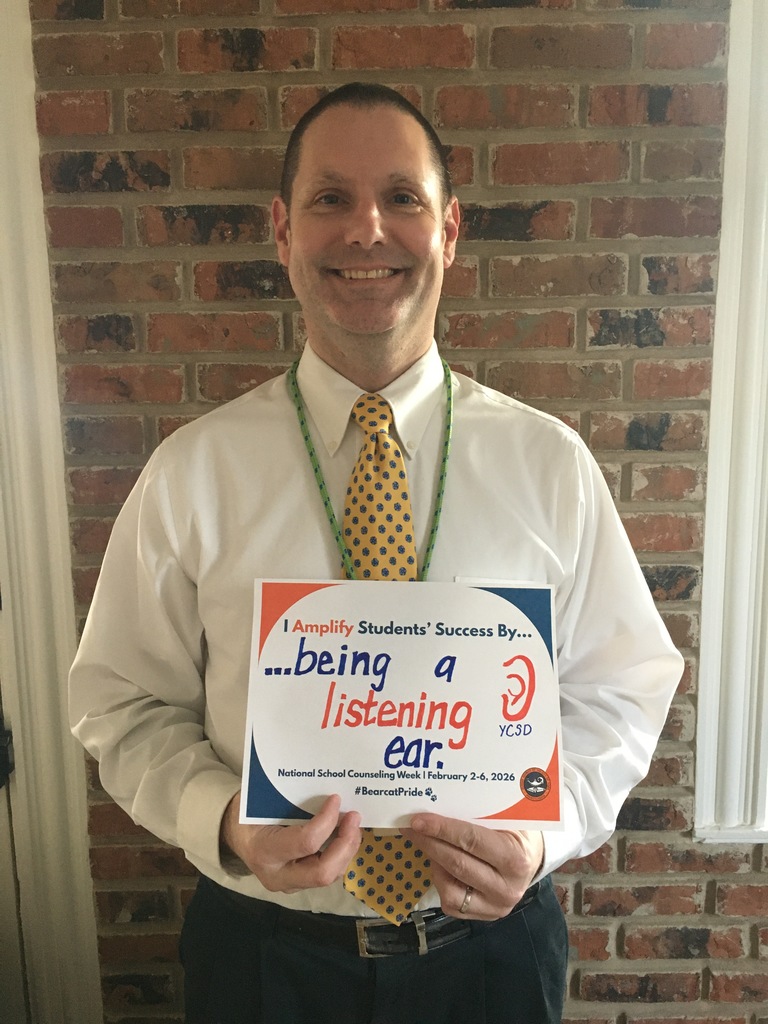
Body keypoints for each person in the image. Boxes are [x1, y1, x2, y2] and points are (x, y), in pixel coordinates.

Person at [69, 83, 683, 1024]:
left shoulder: (548, 464)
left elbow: (623, 687)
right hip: (265, 954)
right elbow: (119, 701)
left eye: (402, 197)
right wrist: (222, 820)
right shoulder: (191, 472)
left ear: (449, 231)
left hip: (491, 958)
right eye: (330, 199)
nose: (367, 230)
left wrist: (544, 833)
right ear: (282, 230)